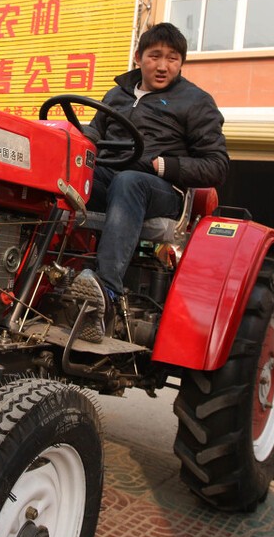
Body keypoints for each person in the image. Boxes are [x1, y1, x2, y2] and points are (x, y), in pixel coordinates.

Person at [74, 22, 228, 340]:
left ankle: (106, 296)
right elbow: (95, 131)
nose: (162, 66)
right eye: (154, 56)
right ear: (138, 57)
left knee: (130, 181)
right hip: (111, 176)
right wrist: (77, 144)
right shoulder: (116, 94)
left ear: (181, 63)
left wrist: (162, 165)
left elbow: (216, 166)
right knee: (66, 175)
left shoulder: (197, 102)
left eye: (172, 58)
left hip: (160, 190)